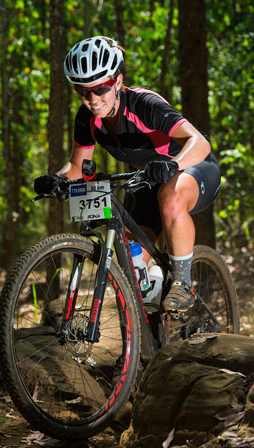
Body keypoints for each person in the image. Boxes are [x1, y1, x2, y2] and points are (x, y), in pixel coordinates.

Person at [34, 36, 221, 313]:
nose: (93, 99)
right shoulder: (87, 118)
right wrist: (56, 179)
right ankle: (152, 318)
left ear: (117, 81)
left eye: (100, 88)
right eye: (83, 92)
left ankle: (183, 284)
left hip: (193, 167)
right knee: (132, 262)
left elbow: (200, 142)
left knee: (170, 195)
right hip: (148, 179)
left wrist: (174, 164)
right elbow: (76, 166)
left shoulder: (143, 104)